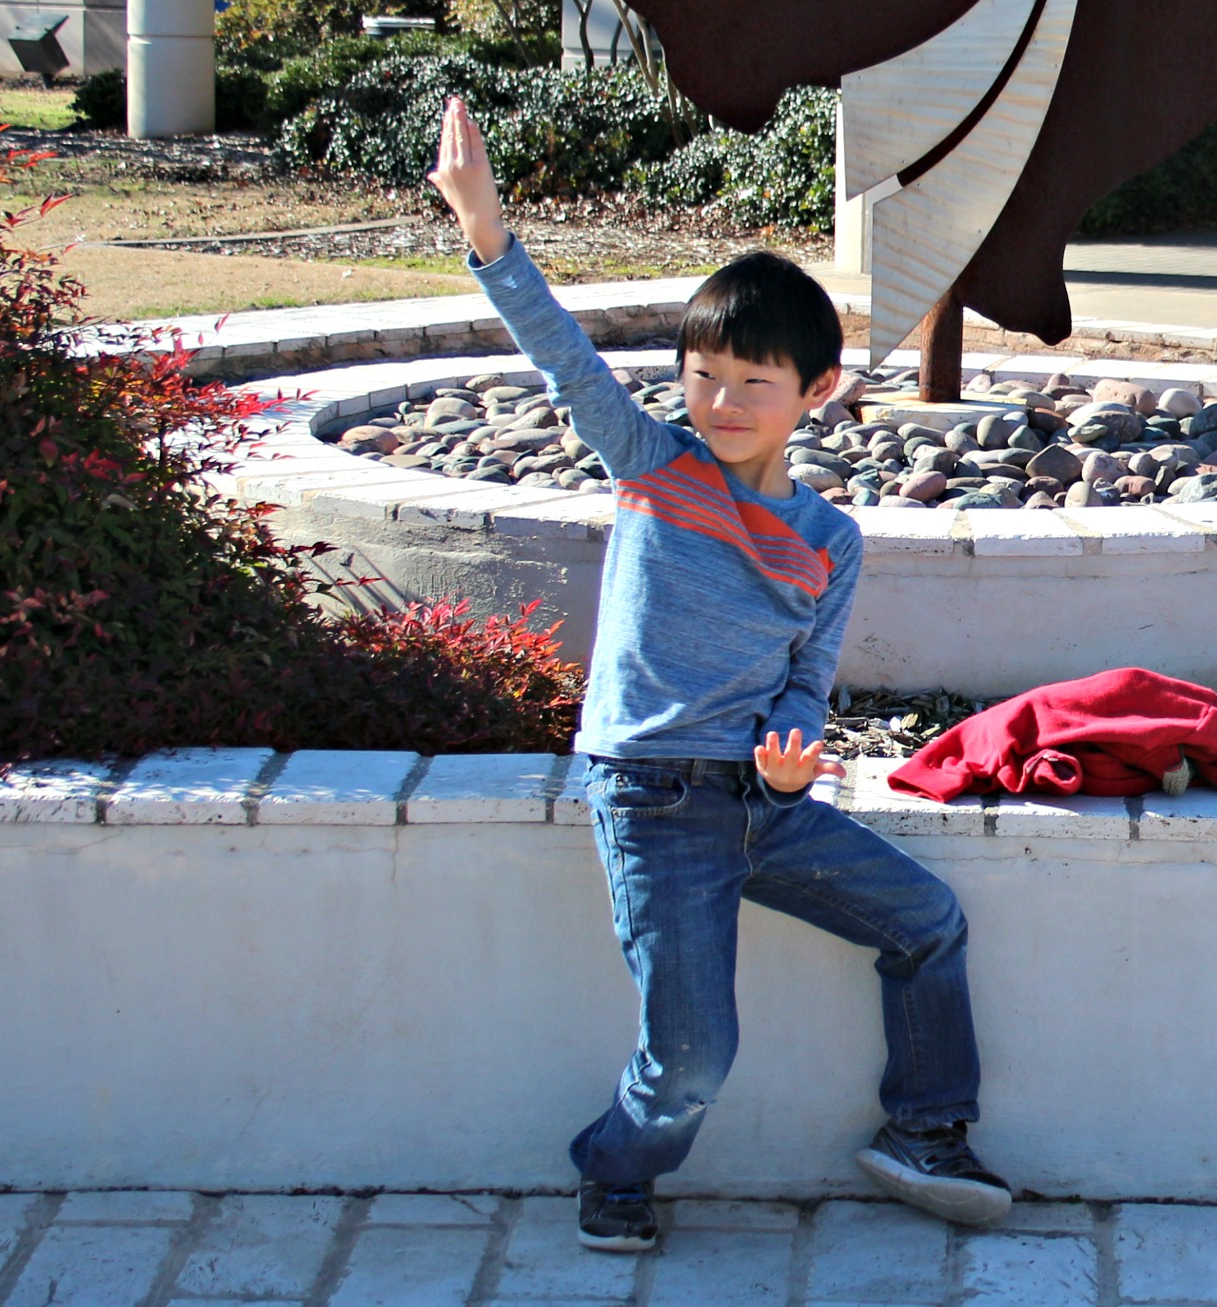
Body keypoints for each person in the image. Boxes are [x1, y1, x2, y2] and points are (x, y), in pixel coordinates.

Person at [425, 94, 1011, 1253]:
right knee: (693, 1054)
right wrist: (486, 226)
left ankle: (926, 1130)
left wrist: (795, 757)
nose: (722, 402)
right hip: (651, 799)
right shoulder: (651, 463)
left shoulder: (829, 538)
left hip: (764, 805)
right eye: (703, 375)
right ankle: (617, 1165)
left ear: (816, 390)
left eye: (753, 380)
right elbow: (559, 351)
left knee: (927, 919)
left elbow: (809, 674)